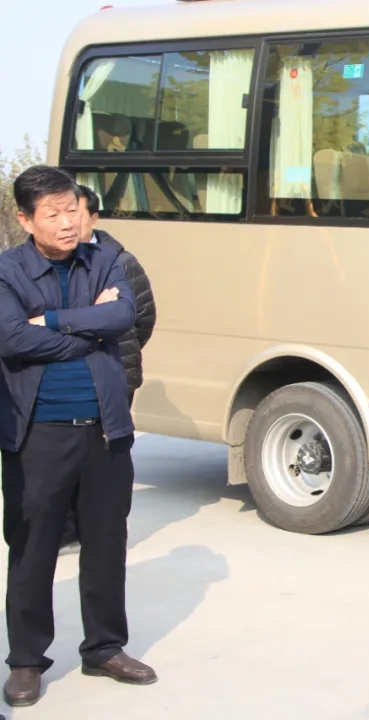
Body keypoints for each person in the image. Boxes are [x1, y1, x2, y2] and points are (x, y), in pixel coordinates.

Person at [0, 167, 157, 708]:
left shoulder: (105, 257)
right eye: (53, 214)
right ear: (26, 219)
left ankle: (104, 648)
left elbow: (123, 314)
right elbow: (10, 337)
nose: (68, 223)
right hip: (38, 435)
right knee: (33, 548)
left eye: (73, 210)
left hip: (106, 431)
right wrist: (87, 331)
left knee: (107, 543)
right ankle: (26, 661)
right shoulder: (8, 271)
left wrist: (50, 322)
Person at [57, 185, 157, 555]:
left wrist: (118, 352)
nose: (68, 223)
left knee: (110, 457)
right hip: (68, 374)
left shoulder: (121, 262)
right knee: (65, 455)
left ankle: (105, 531)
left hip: (116, 375)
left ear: (94, 218)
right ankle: (68, 532)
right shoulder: (54, 262)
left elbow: (144, 318)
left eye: (76, 214)